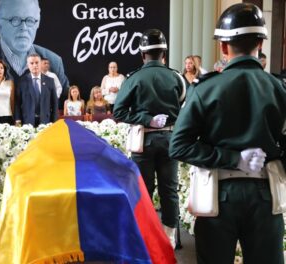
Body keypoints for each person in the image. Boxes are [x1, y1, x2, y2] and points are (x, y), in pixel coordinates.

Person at [169, 4, 285, 263]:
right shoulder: (278, 88)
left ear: (223, 46)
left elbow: (179, 146)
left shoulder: (205, 89)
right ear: (260, 43)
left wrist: (232, 159)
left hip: (218, 196)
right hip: (265, 194)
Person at [113, 29, 186, 248]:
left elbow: (119, 112)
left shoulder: (134, 78)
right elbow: (187, 109)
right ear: (164, 52)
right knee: (169, 192)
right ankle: (170, 240)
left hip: (143, 142)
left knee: (143, 191)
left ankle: (143, 238)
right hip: (170, 141)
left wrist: (146, 119)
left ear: (142, 54)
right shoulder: (177, 77)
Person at [0, 0, 69, 91]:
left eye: (30, 20)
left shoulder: (54, 63)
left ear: (37, 23)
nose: (24, 27)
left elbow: (65, 102)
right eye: (15, 20)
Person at [14, 53, 58, 127]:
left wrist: (54, 122)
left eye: (37, 62)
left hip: (46, 121)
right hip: (27, 122)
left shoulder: (50, 81)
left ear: (40, 64)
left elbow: (54, 103)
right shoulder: (22, 82)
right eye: (32, 63)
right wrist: (18, 121)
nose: (35, 65)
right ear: (28, 65)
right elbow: (17, 104)